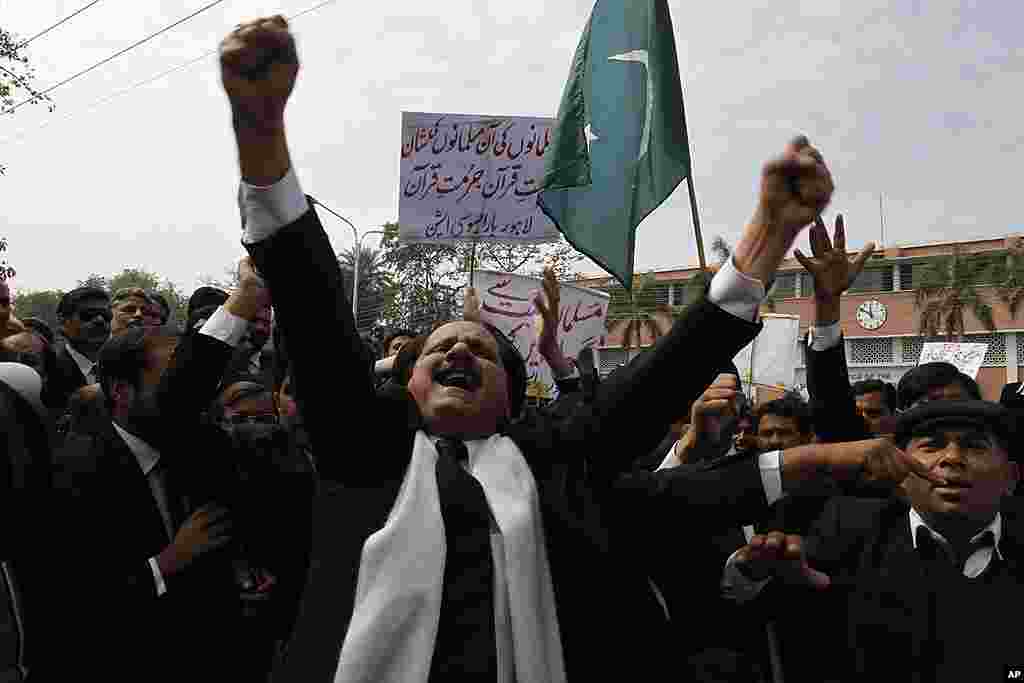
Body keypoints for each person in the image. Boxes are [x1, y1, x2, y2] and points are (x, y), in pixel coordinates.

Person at [218, 16, 933, 681]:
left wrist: (767, 234)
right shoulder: (362, 446)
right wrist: (261, 134)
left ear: (510, 394)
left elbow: (667, 382)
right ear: (405, 385)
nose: (460, 350)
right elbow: (312, 310)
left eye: (482, 348)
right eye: (442, 346)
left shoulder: (558, 455)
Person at [51, 265, 272, 681]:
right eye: (170, 379)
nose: (189, 394)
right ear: (121, 391)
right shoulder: (73, 473)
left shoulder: (204, 446)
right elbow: (74, 605)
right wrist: (166, 563)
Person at [727, 399, 1022, 683]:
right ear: (900, 471)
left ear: (1012, 476)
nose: (952, 458)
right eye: (932, 446)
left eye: (974, 446)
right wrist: (755, 574)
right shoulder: (849, 528)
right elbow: (768, 616)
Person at [50, 286, 110, 414]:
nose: (99, 320)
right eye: (88, 315)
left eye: (105, 315)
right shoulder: (48, 372)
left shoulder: (125, 369)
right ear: (63, 321)